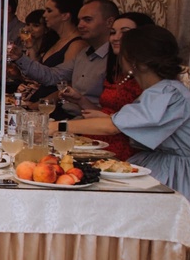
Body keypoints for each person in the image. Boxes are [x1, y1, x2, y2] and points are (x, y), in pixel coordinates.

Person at [58, 26, 190, 228]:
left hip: (180, 174)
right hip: (162, 162)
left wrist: (58, 127)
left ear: (134, 61)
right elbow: (128, 122)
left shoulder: (167, 92)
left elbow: (112, 127)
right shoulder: (161, 90)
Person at [64, 11, 154, 160]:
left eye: (125, 33)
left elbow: (140, 126)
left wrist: (58, 127)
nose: (115, 37)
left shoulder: (147, 78)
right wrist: (80, 100)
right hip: (94, 142)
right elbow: (103, 113)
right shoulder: (116, 71)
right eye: (113, 32)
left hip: (122, 147)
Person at [10, 0, 118, 117]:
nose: (80, 25)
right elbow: (52, 76)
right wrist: (20, 57)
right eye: (79, 20)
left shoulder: (116, 59)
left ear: (109, 22)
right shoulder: (84, 54)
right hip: (66, 114)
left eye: (87, 20)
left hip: (89, 120)